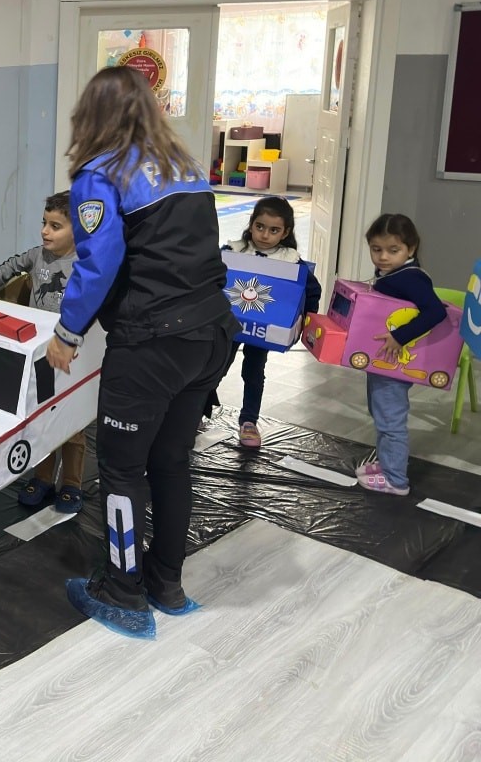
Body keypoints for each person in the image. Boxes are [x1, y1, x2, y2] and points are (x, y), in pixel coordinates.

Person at [44, 66, 237, 640]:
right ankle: (166, 584)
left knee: (123, 468)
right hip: (212, 334)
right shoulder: (186, 166)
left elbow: (97, 262)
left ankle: (122, 593)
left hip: (154, 342)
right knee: (172, 462)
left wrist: (67, 332)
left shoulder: (99, 173)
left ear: (91, 115)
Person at [0, 191, 94, 512]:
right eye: (44, 223)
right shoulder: (38, 255)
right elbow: (12, 265)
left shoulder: (86, 266)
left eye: (55, 226)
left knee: (72, 424)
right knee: (40, 419)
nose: (44, 231)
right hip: (39, 354)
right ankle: (42, 477)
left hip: (70, 357)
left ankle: (72, 483)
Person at [218, 196, 321, 448]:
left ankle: (249, 420)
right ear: (251, 224)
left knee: (253, 372)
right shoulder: (232, 251)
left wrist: (303, 319)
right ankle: (197, 409)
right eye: (260, 227)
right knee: (215, 367)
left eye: (274, 230)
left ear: (285, 232)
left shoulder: (290, 260)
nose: (265, 235)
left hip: (262, 331)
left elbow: (311, 291)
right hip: (227, 324)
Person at [356, 213, 447, 496]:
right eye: (376, 249)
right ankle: (387, 464)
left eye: (393, 250)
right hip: (385, 359)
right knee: (380, 411)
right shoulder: (395, 274)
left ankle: (395, 480)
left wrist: (400, 336)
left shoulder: (410, 278)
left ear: (411, 248)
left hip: (396, 361)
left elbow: (436, 311)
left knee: (390, 419)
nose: (383, 257)